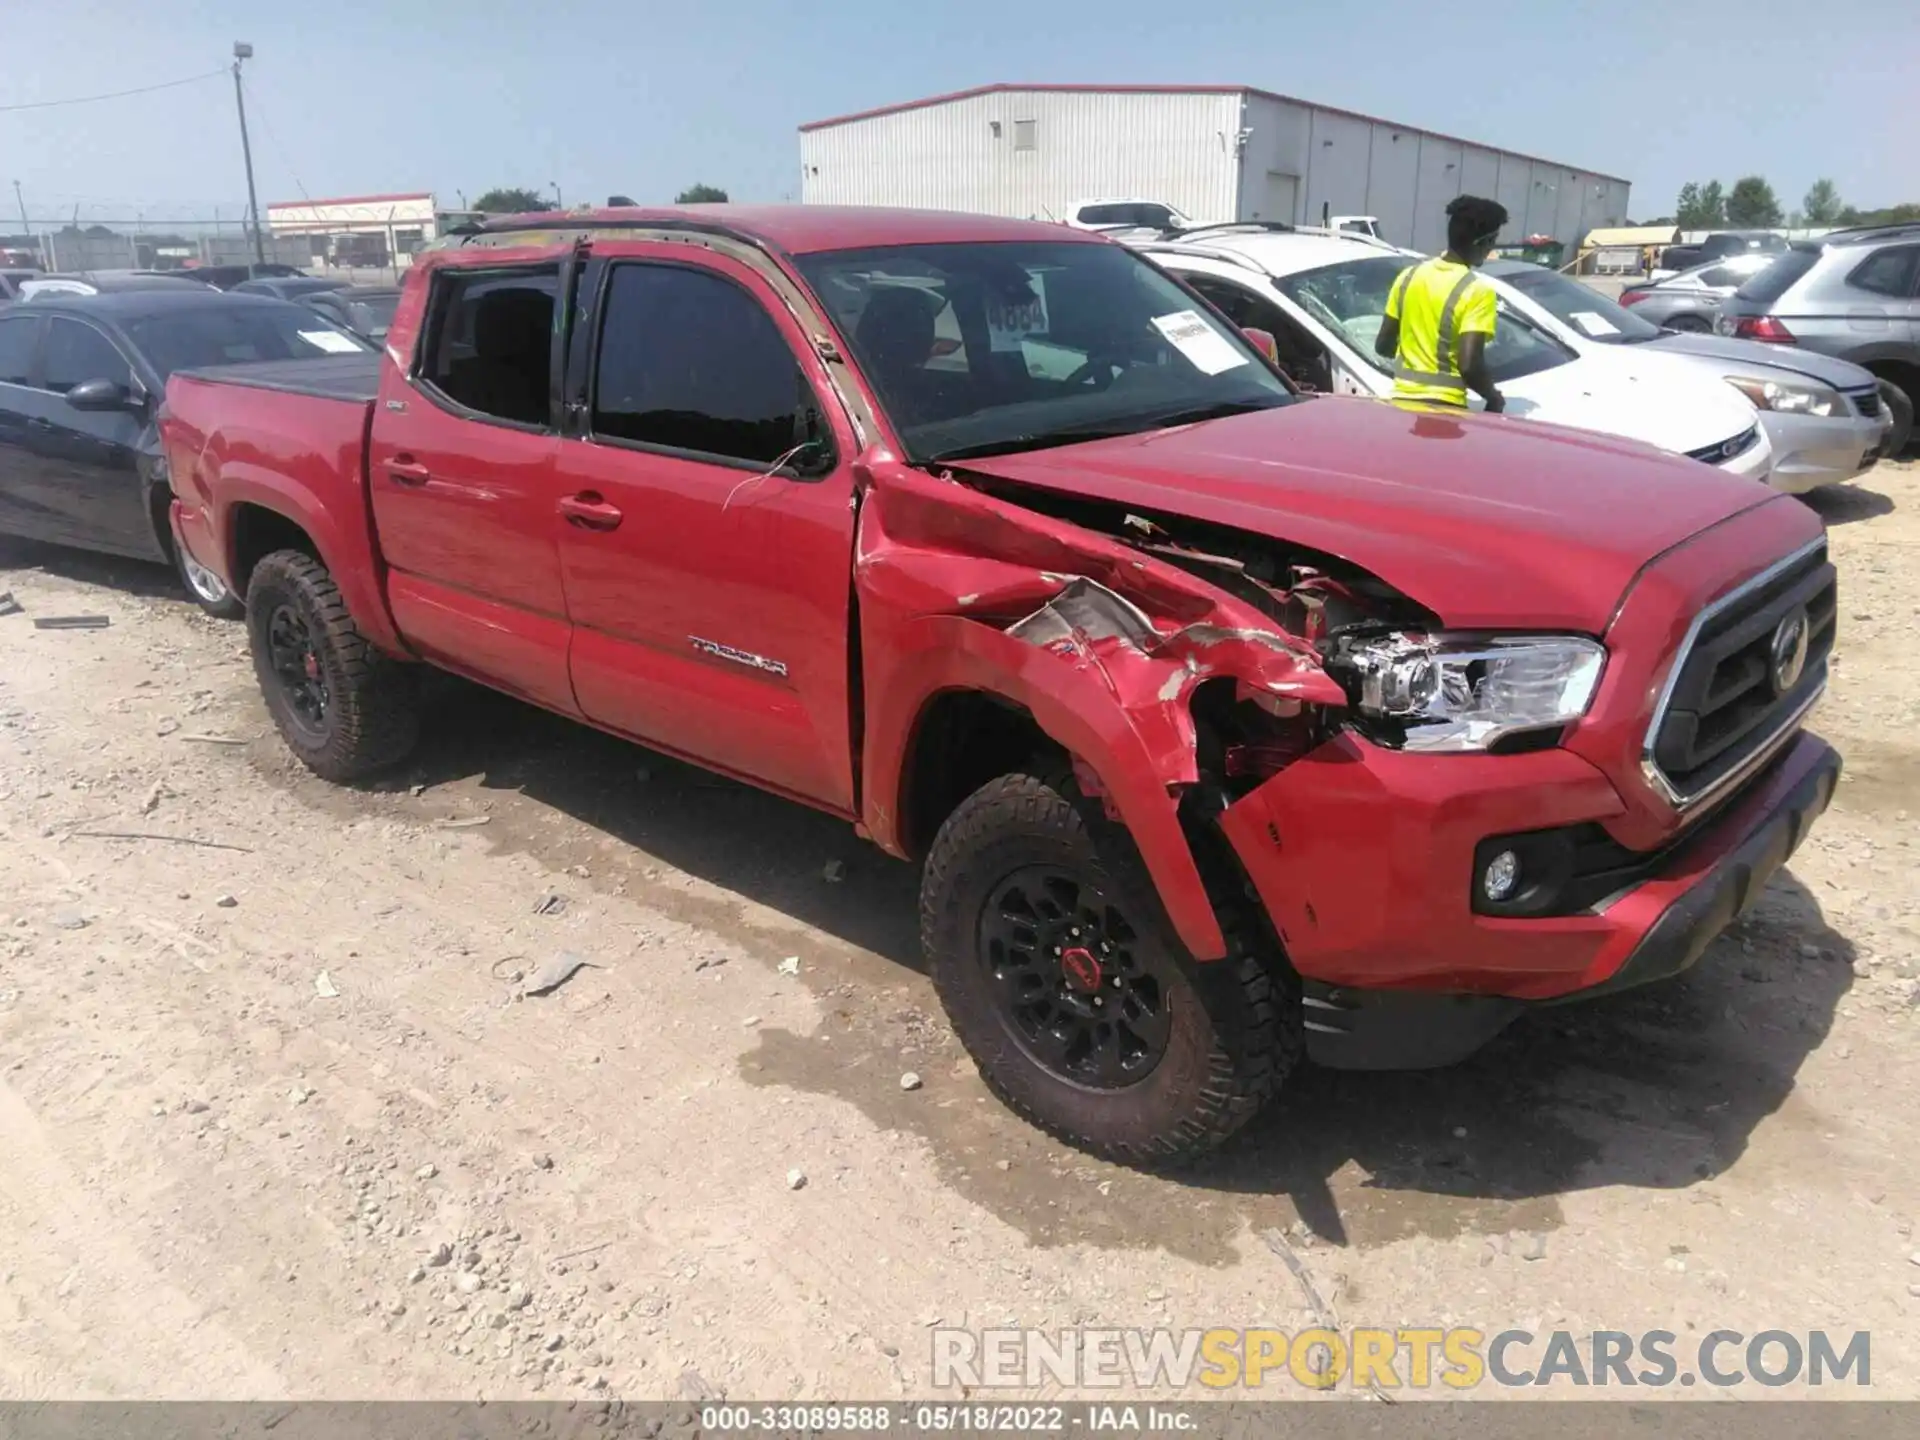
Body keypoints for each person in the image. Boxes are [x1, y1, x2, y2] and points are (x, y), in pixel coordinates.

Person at [1374, 195, 1510, 411]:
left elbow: (1383, 346)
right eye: (1492, 242)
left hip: (1400, 405)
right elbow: (1469, 366)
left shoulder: (1407, 277)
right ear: (1482, 242)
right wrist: (1493, 397)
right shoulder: (1477, 291)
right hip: (1445, 410)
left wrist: (1415, 356)